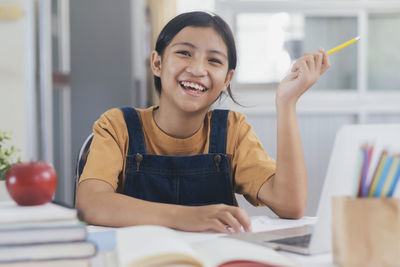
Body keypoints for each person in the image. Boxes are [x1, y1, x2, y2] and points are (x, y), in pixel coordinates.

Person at [75, 11, 330, 233]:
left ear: (227, 79)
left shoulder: (233, 130)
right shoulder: (118, 126)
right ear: (157, 63)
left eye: (214, 60)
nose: (198, 69)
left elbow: (290, 204)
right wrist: (187, 217)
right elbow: (90, 203)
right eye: (185, 53)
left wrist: (286, 103)